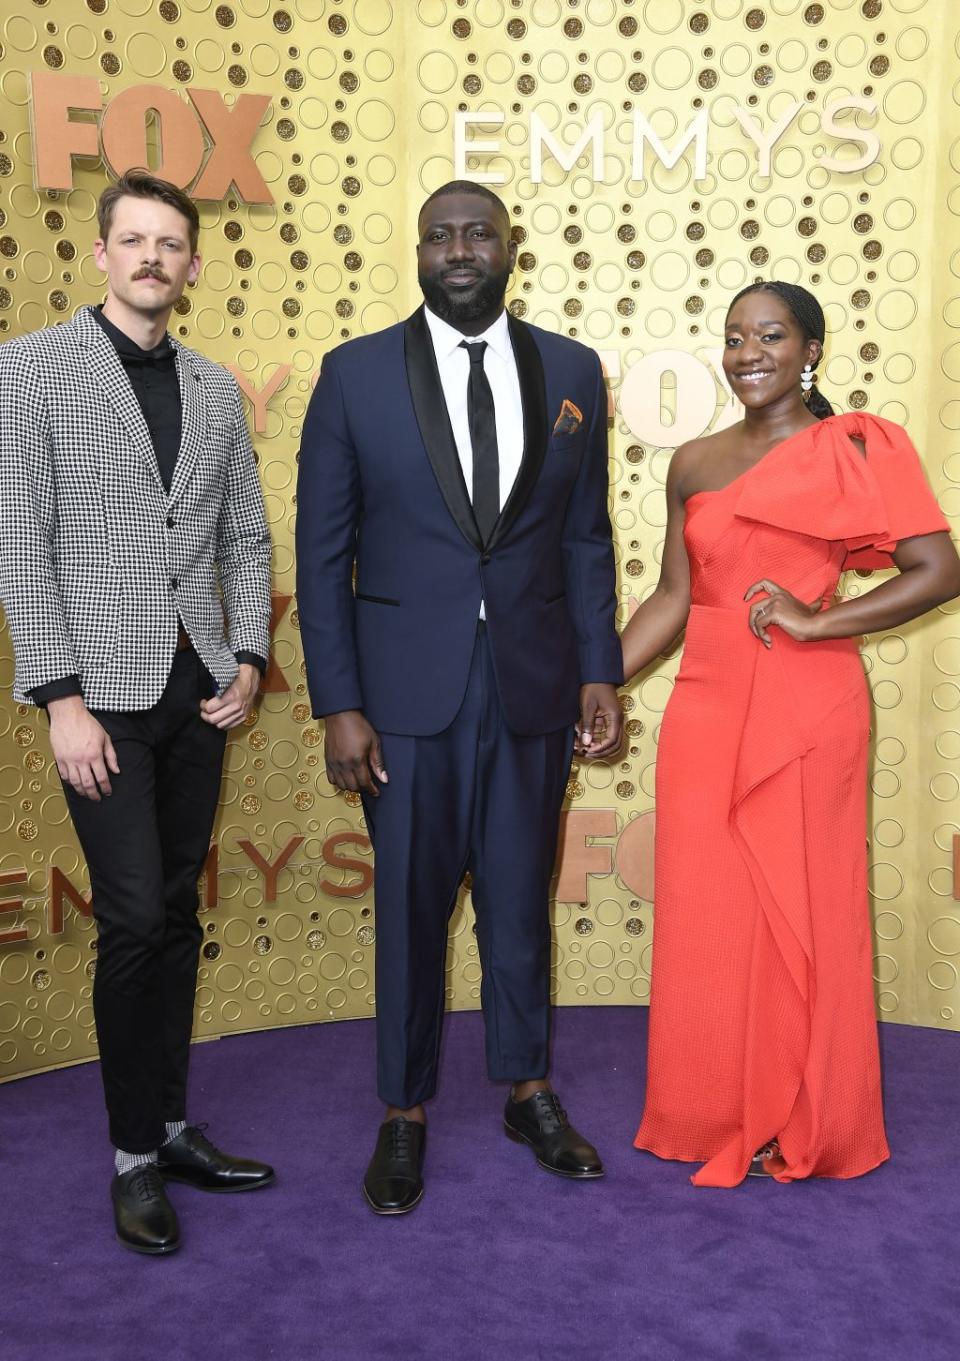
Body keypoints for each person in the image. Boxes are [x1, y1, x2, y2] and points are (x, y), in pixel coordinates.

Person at [296, 180, 623, 1214]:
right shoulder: (352, 376)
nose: (458, 248)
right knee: (408, 909)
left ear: (510, 246)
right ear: (419, 253)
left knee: (522, 901)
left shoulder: (571, 371)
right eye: (438, 234)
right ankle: (404, 1111)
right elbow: (321, 552)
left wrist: (599, 665)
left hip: (530, 683)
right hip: (401, 697)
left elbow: (583, 537)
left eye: (476, 231)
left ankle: (529, 1089)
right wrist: (338, 701)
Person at [621, 281, 960, 1187]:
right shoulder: (692, 460)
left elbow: (938, 568)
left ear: (812, 347)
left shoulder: (856, 446)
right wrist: (594, 683)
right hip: (706, 704)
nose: (748, 353)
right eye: (734, 337)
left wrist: (818, 622)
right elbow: (674, 598)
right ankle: (710, 1110)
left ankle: (809, 1112)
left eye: (770, 335)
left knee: (805, 909)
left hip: (808, 705)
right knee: (712, 911)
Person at [0, 171, 275, 1253]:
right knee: (131, 919)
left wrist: (247, 650)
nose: (153, 257)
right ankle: (130, 1155)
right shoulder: (29, 371)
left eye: (171, 243)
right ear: (102, 255)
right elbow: (23, 546)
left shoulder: (213, 388)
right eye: (134, 240)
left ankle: (168, 1124)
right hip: (98, 703)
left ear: (193, 267)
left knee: (175, 906)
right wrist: (60, 700)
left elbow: (243, 536)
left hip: (197, 692)